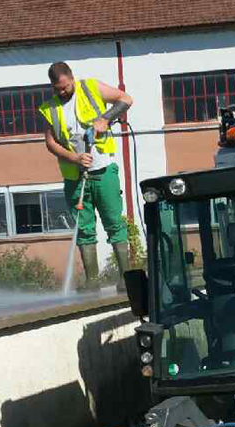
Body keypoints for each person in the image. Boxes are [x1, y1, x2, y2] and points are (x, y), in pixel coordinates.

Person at [38, 61, 134, 291]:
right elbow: (50, 143)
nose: (62, 92)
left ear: (71, 78)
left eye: (65, 87)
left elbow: (126, 99)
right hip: (75, 177)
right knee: (84, 228)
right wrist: (74, 158)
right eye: (57, 88)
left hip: (103, 170)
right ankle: (92, 280)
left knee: (114, 223)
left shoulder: (91, 88)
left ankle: (125, 278)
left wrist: (106, 118)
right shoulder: (50, 108)